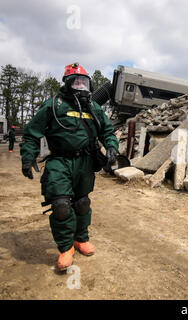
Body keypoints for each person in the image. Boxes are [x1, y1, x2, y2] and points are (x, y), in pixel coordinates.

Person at [20, 63, 119, 271]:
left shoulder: (94, 108)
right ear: (67, 83)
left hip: (84, 162)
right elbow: (31, 133)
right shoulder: (53, 106)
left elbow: (108, 132)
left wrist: (111, 147)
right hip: (60, 161)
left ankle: (80, 239)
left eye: (85, 82)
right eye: (77, 82)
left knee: (82, 203)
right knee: (61, 205)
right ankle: (66, 248)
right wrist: (27, 157)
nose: (81, 86)